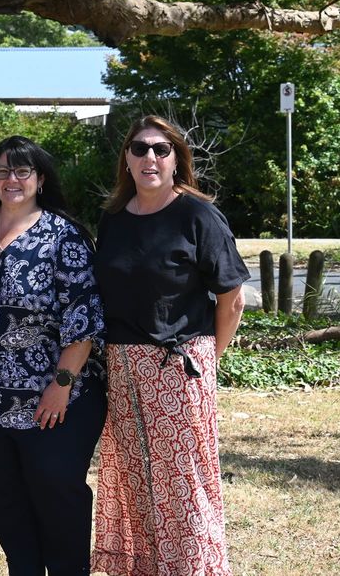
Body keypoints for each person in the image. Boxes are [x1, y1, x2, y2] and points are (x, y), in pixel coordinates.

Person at [90, 116, 248, 576]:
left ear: (177, 157)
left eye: (160, 149)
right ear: (126, 158)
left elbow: (231, 299)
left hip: (178, 366)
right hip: (122, 368)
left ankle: (194, 569)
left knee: (183, 484)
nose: (149, 158)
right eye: (139, 149)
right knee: (135, 480)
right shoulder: (115, 218)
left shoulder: (197, 215)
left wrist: (207, 358)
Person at [0, 135, 106, 576]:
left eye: (23, 171)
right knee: (6, 504)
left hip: (55, 399)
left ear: (40, 179)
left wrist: (61, 386)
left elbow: (84, 319)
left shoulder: (64, 235)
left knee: (57, 495)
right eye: (3, 171)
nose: (12, 179)